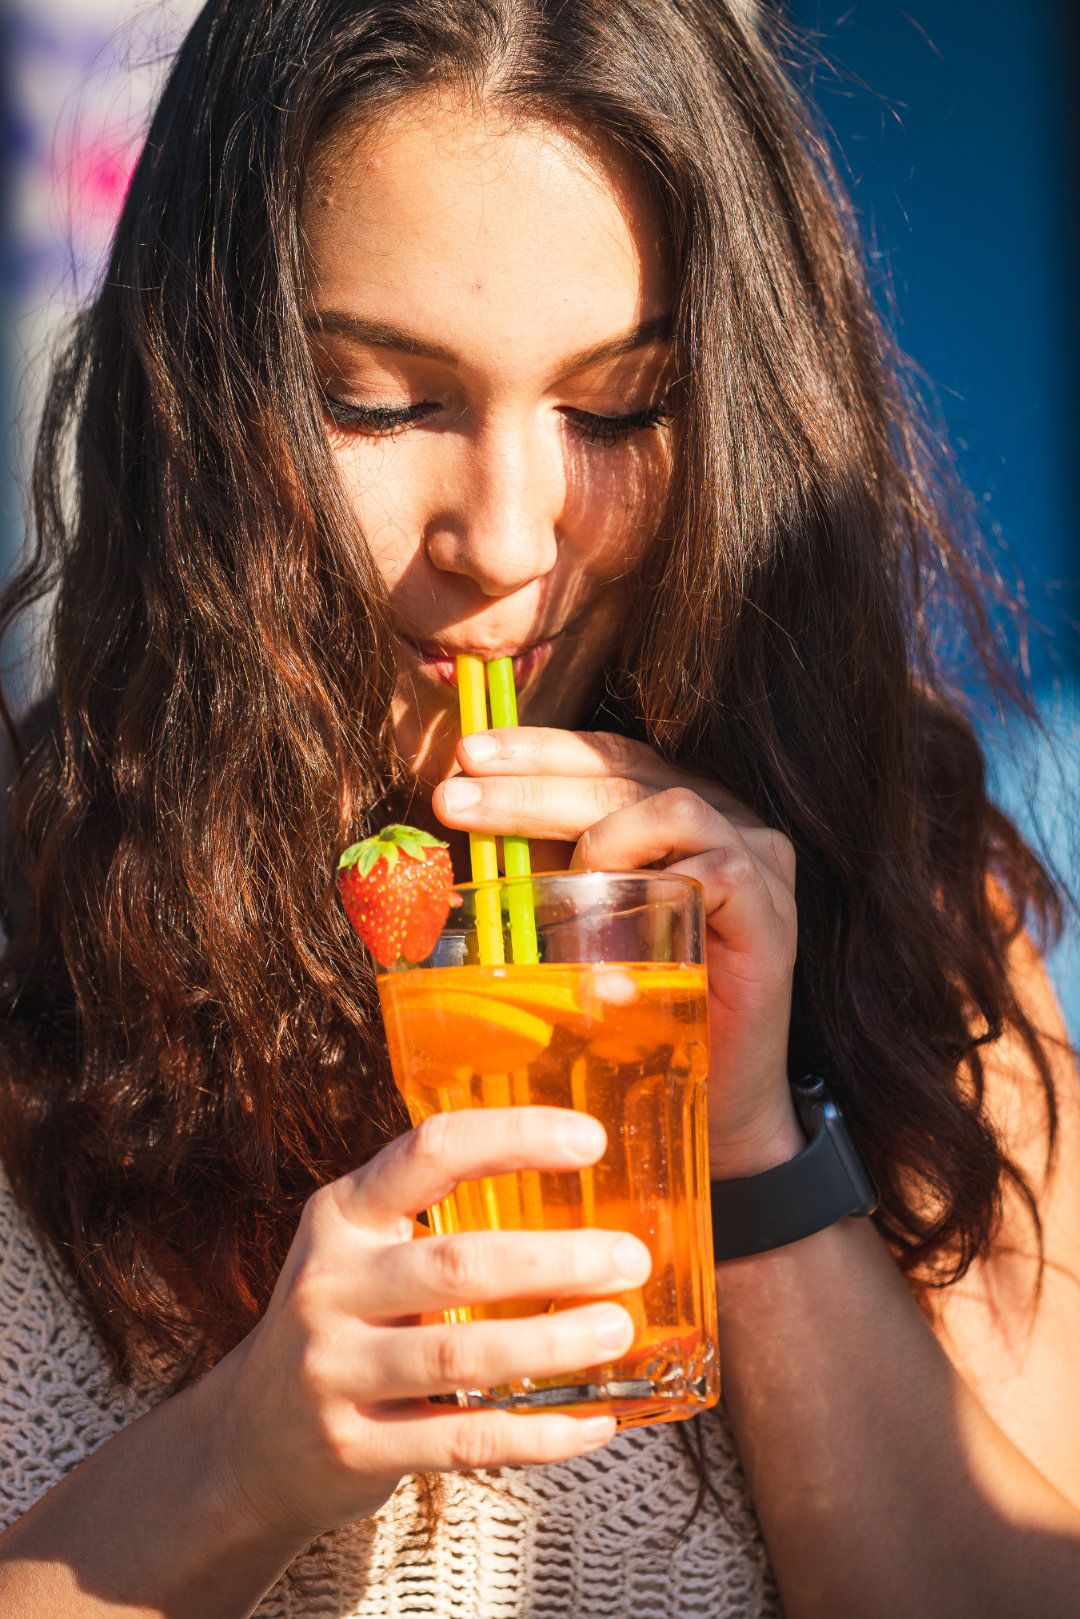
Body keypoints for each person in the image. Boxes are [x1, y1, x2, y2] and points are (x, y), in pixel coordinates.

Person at [0, 1, 1077, 1614]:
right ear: (203, 400)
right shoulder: (32, 929)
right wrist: (241, 1455)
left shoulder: (903, 901)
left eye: (620, 409)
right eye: (378, 399)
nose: (509, 542)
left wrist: (754, 1139)